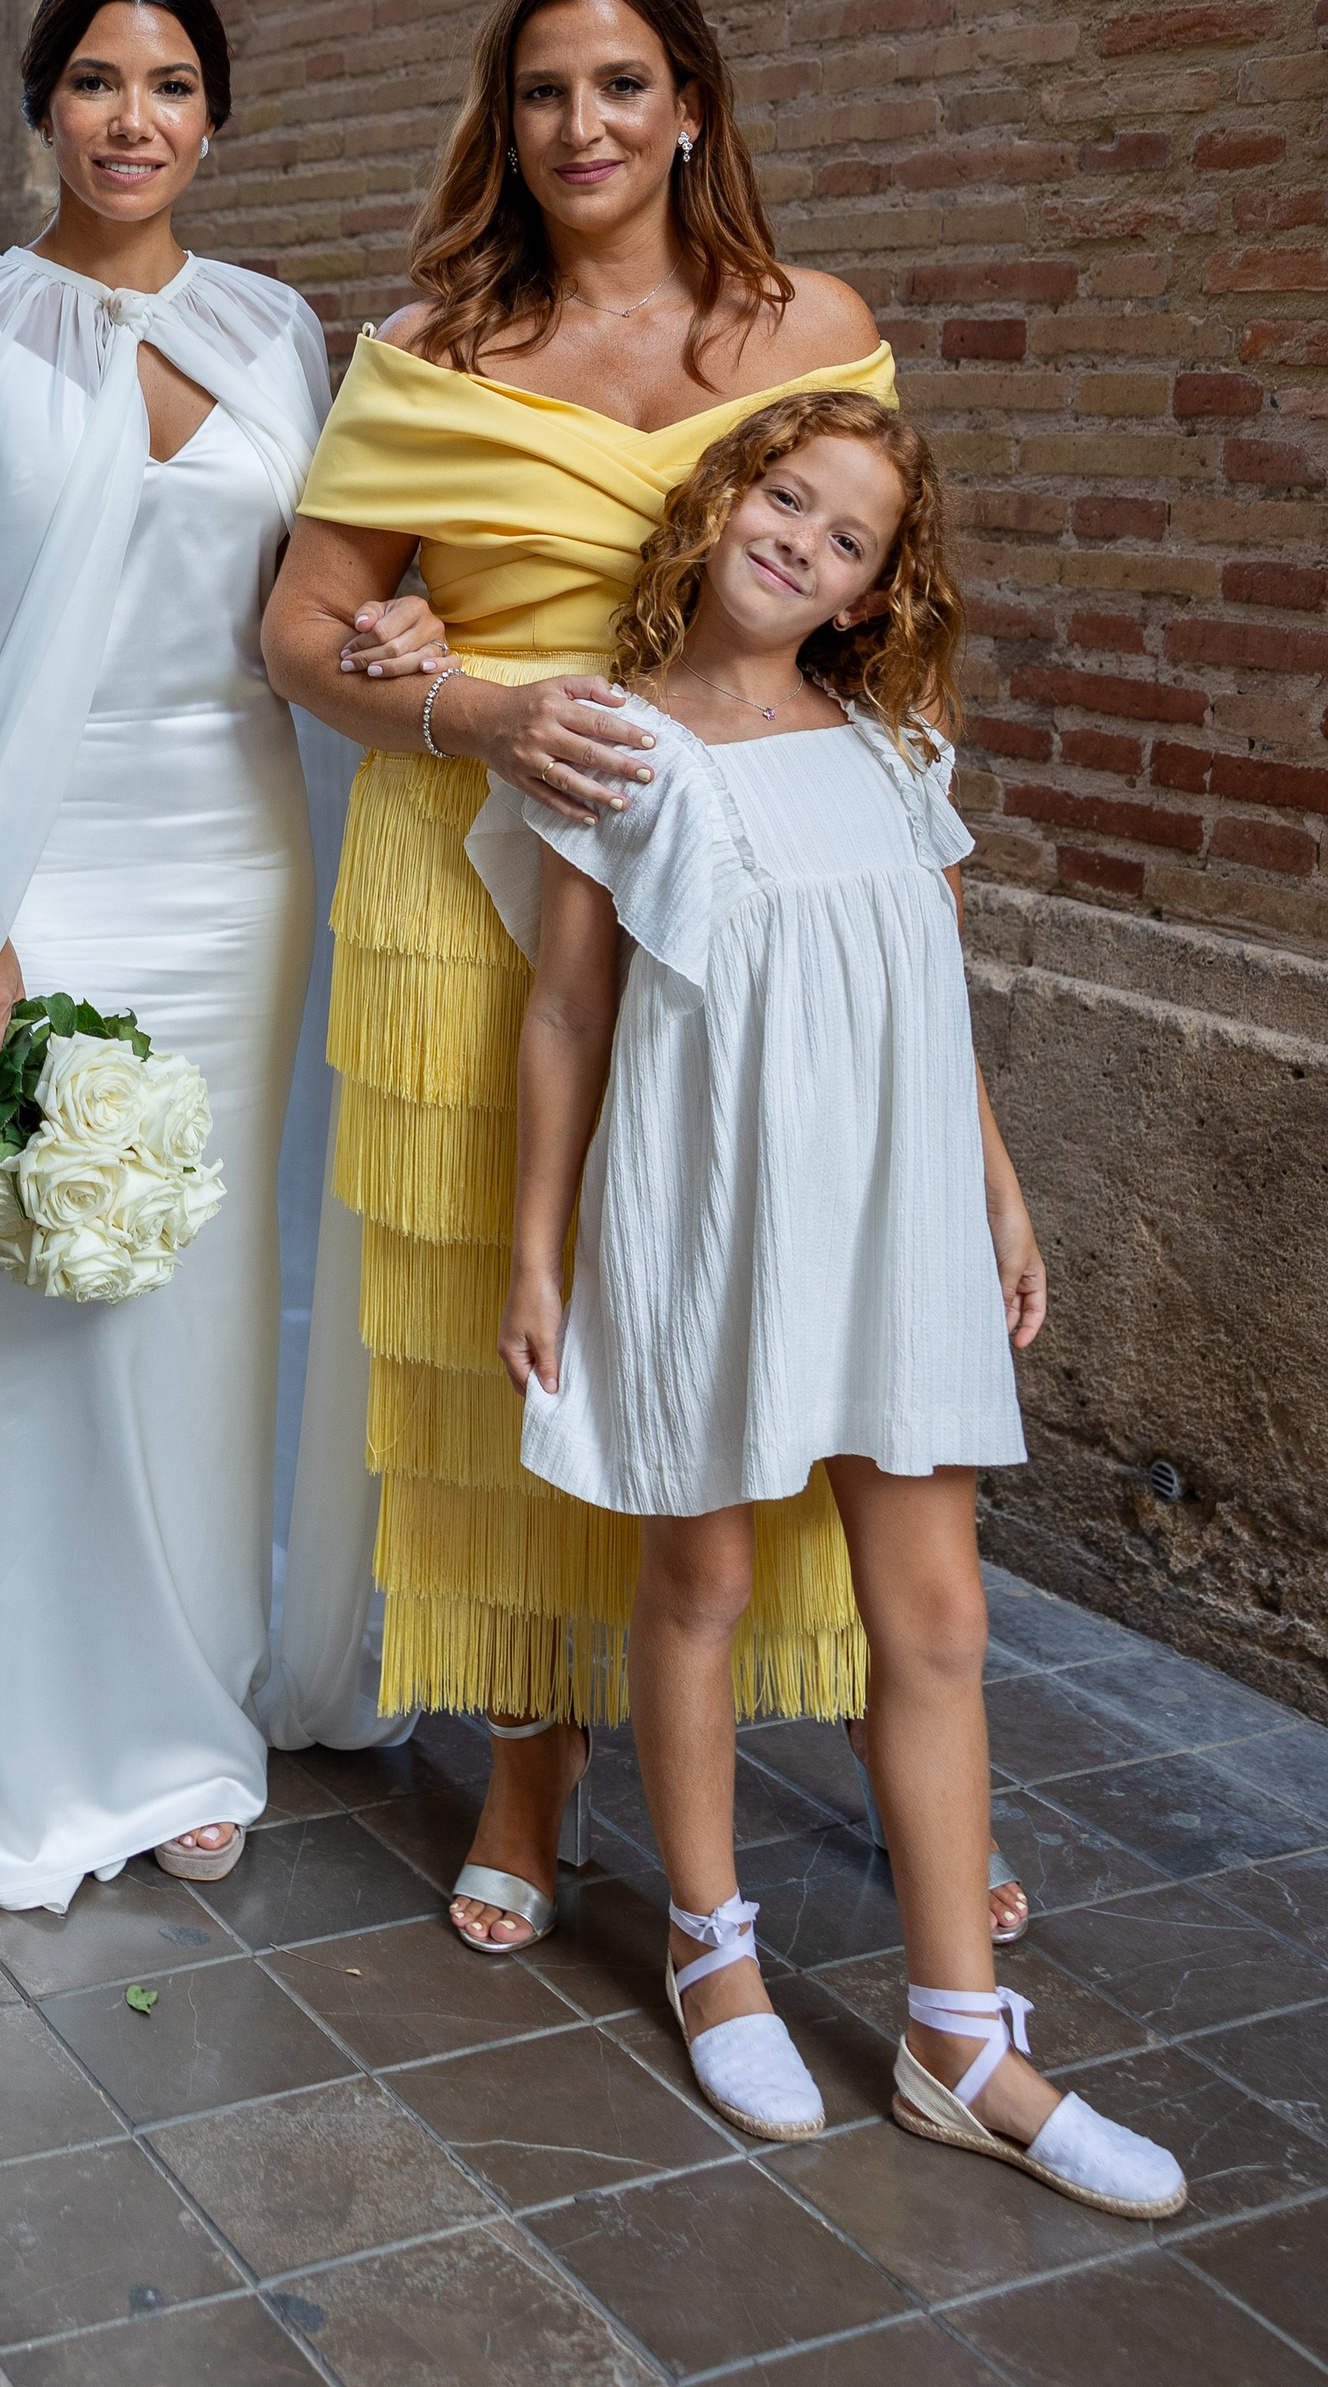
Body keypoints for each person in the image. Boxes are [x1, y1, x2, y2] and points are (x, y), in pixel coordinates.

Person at [262, 0, 1031, 1958]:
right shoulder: (431, 348)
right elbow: (297, 626)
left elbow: (875, 595)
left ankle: (907, 1768)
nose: (579, 127)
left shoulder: (817, 326)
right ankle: (531, 1764)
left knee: (781, 1303)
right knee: (510, 1345)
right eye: (539, 91)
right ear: (497, 120)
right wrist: (442, 696)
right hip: (474, 888)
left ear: (690, 102)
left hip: (758, 905)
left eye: (618, 85)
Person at [475, 393, 1184, 2219]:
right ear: (723, 502)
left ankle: (962, 2039)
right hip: (712, 1214)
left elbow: (929, 1013)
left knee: (934, 1616)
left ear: (873, 594)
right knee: (702, 1577)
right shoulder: (616, 745)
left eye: (848, 536)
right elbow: (568, 1016)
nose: (801, 539)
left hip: (896, 1229)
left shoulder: (894, 755)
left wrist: (1002, 1198)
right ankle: (709, 1947)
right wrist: (538, 1248)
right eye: (784, 498)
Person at [0, 0, 340, 1905]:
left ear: (215, 116)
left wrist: (385, 640)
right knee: (44, 1281)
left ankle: (193, 1677)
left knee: (203, 1287)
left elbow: (310, 594)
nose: (134, 119)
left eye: (173, 85)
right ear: (36, 106)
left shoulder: (282, 331)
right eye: (98, 81)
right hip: (29, 857)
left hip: (236, 857)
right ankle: (54, 1712)